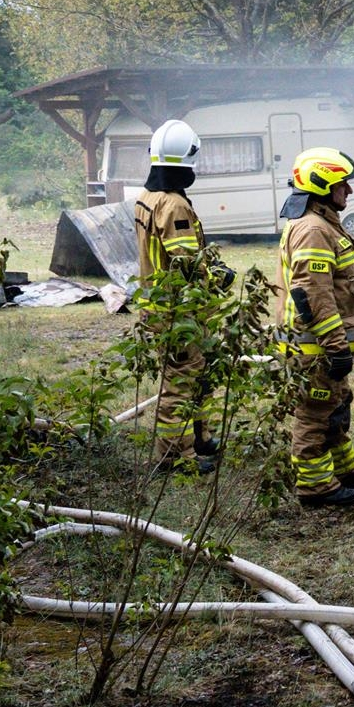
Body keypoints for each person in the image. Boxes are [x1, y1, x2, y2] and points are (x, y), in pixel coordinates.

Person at [277, 147, 354, 509]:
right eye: (343, 185)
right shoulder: (312, 230)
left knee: (336, 404)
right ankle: (316, 486)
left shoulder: (321, 223)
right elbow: (314, 294)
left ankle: (342, 470)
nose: (349, 192)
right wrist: (336, 345)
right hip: (316, 347)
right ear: (323, 186)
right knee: (315, 411)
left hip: (321, 345)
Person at [132, 120, 219, 473]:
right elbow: (186, 263)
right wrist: (216, 276)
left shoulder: (146, 197)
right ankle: (173, 457)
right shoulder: (174, 205)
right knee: (181, 381)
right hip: (179, 310)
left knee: (198, 373)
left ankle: (200, 437)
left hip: (157, 306)